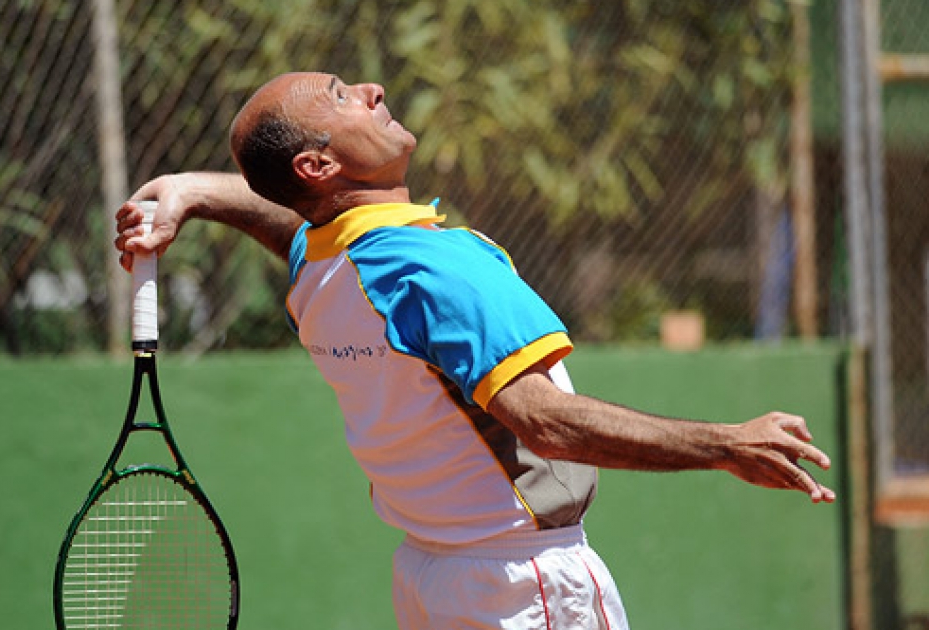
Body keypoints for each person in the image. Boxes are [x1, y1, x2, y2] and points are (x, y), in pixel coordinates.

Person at [115, 72, 836, 630]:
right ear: (317, 166)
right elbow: (544, 421)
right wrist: (722, 444)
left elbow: (288, 227)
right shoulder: (432, 270)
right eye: (342, 97)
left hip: (430, 580)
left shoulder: (329, 268)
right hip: (525, 590)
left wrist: (192, 191)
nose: (373, 91)